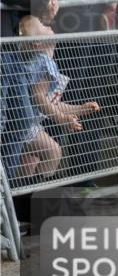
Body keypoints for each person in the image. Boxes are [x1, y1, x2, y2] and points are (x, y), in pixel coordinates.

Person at [6, 16, 100, 180]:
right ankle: (36, 192)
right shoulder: (43, 63)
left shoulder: (32, 59)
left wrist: (79, 109)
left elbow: (52, 103)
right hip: (25, 123)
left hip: (25, 120)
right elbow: (39, 98)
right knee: (53, 151)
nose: (48, 24)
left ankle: (22, 194)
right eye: (42, 25)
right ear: (38, 43)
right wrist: (62, 118)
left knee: (28, 163)